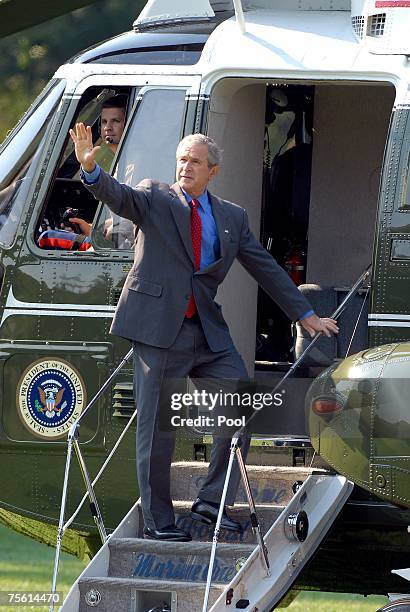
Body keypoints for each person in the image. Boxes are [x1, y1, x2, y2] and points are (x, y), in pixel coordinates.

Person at [69, 124, 339, 542]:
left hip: (206, 331)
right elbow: (119, 197)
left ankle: (212, 504)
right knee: (157, 430)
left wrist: (304, 314)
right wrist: (91, 171)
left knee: (239, 406)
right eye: (182, 160)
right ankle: (159, 522)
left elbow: (264, 265)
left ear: (213, 171)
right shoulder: (156, 197)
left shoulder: (232, 217)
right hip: (158, 332)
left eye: (195, 162)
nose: (185, 167)